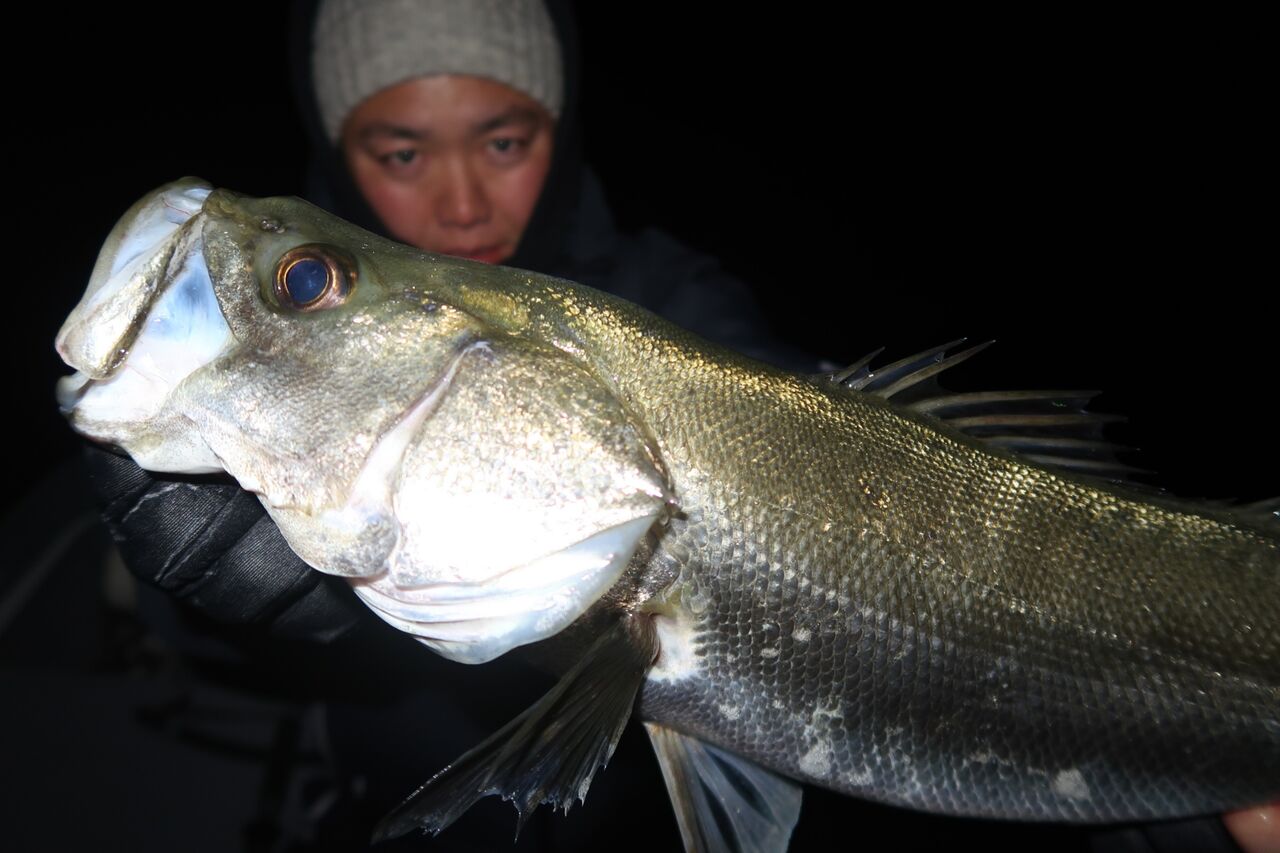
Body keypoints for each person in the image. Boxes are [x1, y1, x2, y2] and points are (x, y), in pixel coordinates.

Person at [80, 1, 1276, 851]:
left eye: (504, 141)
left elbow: (792, 399)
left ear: (557, 131)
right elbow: (212, 646)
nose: (461, 198)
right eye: (400, 152)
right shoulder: (392, 351)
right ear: (340, 150)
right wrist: (221, 592)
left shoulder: (673, 297)